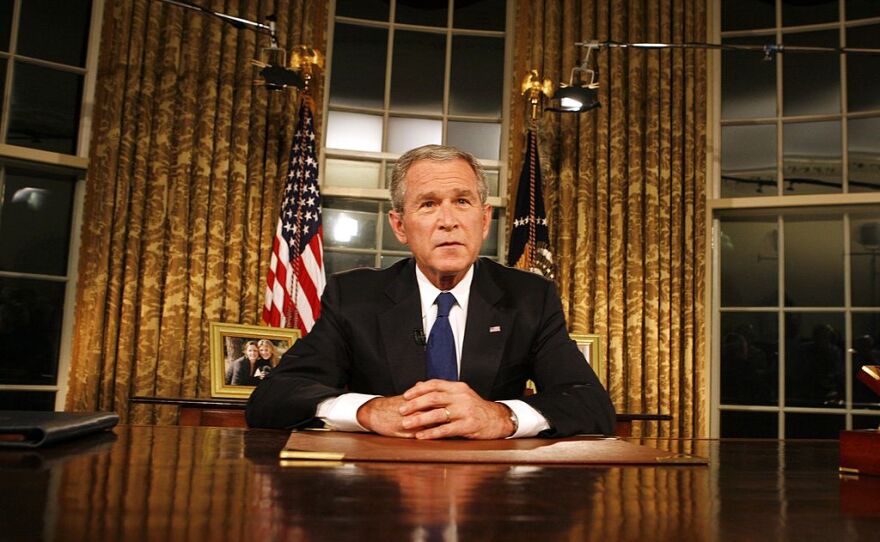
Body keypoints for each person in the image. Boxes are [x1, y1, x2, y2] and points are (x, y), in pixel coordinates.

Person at [246, 144, 615, 439]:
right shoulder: (354, 297)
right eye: (428, 204)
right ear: (400, 226)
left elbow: (589, 404)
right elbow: (273, 397)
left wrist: (501, 417)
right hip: (382, 491)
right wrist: (367, 410)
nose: (449, 220)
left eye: (462, 201)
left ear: (484, 220)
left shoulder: (530, 297)